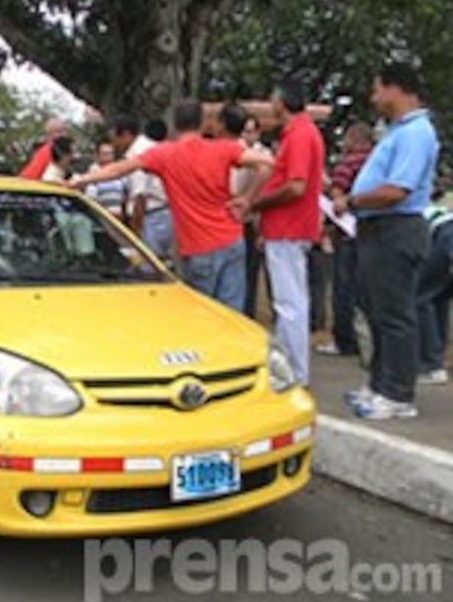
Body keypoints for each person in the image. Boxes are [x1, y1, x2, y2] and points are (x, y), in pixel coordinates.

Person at [72, 100, 275, 311]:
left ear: (175, 125)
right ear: (203, 124)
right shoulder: (223, 149)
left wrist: (81, 180)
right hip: (232, 238)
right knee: (233, 314)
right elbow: (267, 164)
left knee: (203, 315)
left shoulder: (165, 154)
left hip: (199, 246)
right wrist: (247, 199)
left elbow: (119, 169)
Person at [333, 62, 439, 420]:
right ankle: (379, 383)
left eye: (378, 89)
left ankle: (398, 393)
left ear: (396, 89)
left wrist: (352, 200)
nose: (374, 97)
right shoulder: (396, 131)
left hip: (396, 227)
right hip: (377, 228)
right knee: (378, 311)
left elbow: (397, 189)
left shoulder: (416, 133)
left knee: (395, 314)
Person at [242, 81, 324, 387]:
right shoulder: (300, 133)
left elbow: (295, 186)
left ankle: (295, 372)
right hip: (288, 227)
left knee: (289, 303)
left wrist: (257, 203)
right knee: (290, 301)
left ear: (281, 104)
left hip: (288, 227)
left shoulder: (300, 135)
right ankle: (290, 367)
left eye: (272, 101)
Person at [316, 123, 373, 357]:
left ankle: (344, 341)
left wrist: (329, 191)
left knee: (343, 288)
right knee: (364, 289)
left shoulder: (347, 164)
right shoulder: (378, 161)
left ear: (353, 139)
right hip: (371, 231)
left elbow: (338, 195)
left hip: (347, 231)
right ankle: (366, 340)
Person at [416, 189, 453, 385]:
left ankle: (431, 364)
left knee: (420, 298)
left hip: (443, 237)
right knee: (439, 299)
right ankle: (436, 359)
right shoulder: (434, 207)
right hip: (447, 234)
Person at [239, 114, 273, 319]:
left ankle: (250, 310)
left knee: (254, 268)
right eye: (245, 131)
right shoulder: (236, 152)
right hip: (239, 216)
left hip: (257, 216)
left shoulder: (265, 155)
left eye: (252, 131)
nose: (248, 135)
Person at [128, 118, 173, 260]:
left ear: (124, 135)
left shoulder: (138, 153)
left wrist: (133, 234)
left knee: (148, 268)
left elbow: (140, 195)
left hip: (151, 217)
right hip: (166, 214)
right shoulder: (162, 149)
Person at [84, 141, 129, 221]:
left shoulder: (120, 173)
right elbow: (91, 198)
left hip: (120, 218)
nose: (108, 157)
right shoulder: (93, 174)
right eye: (105, 154)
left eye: (110, 153)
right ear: (97, 156)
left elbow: (126, 193)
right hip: (102, 219)